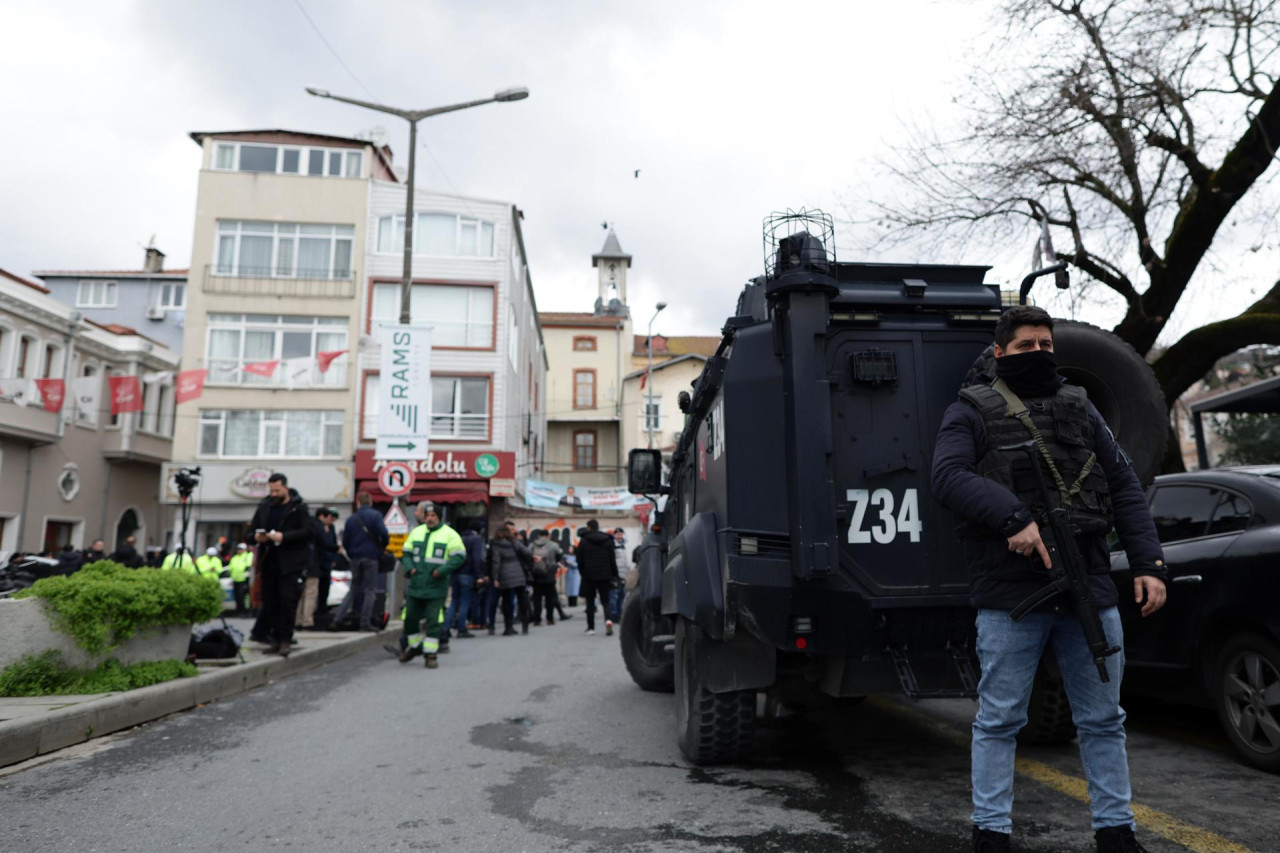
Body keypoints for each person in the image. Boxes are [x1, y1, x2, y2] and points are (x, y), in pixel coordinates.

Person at [930, 305, 1167, 853]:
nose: (1037, 354)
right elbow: (947, 475)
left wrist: (1150, 566)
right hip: (1013, 592)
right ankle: (990, 834)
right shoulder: (970, 411)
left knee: (1104, 719)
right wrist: (1013, 517)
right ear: (999, 353)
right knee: (1000, 720)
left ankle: (1116, 832)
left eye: (1045, 345)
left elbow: (1124, 488)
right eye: (1024, 347)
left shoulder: (1081, 409)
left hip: (1089, 585)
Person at [245, 472, 315, 657]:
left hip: (291, 563)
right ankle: (274, 639)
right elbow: (250, 532)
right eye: (271, 490)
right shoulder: (265, 506)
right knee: (271, 602)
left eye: (277, 490)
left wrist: (284, 537)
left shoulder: (298, 507)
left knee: (287, 601)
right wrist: (256, 537)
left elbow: (308, 531)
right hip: (269, 560)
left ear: (285, 487)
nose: (274, 494)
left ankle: (285, 639)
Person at [397, 502, 465, 668]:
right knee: (410, 619)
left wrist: (441, 570)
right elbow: (405, 553)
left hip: (436, 586)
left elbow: (459, 557)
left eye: (433, 516)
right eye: (427, 516)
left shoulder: (450, 535)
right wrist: (410, 568)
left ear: (439, 517)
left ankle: (430, 655)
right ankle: (415, 648)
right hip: (416, 585)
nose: (430, 519)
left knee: (434, 622)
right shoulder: (416, 532)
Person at [335, 491, 389, 632]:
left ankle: (338, 618)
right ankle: (365, 622)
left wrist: (352, 552)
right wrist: (381, 547)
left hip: (355, 557)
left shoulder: (351, 519)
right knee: (370, 590)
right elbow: (384, 533)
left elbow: (345, 540)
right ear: (370, 502)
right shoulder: (375, 516)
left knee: (353, 588)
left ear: (358, 503)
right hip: (371, 557)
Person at [438, 518, 483, 653]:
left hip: (455, 573)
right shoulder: (476, 539)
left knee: (453, 602)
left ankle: (446, 628)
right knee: (464, 602)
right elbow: (476, 558)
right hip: (467, 574)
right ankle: (461, 628)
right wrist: (479, 575)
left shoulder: (459, 537)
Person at [574, 519, 619, 636]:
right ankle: (608, 620)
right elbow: (612, 560)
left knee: (590, 602)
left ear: (588, 527)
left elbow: (579, 560)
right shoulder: (607, 540)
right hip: (605, 575)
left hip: (589, 576)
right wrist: (615, 575)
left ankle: (591, 627)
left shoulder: (583, 541)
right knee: (606, 601)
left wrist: (583, 574)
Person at [487, 524, 533, 636]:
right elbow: (527, 552)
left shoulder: (495, 545)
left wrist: (496, 577)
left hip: (504, 575)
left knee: (507, 602)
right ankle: (525, 627)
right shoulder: (514, 542)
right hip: (519, 573)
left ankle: (508, 627)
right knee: (522, 600)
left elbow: (496, 562)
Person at [297, 508, 336, 630]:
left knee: (301, 595)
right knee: (310, 593)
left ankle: (297, 620)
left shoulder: (304, 526)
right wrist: (336, 547)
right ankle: (307, 621)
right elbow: (325, 543)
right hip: (313, 565)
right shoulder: (318, 527)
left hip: (301, 564)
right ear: (323, 516)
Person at [528, 529, 564, 626]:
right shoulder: (553, 545)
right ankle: (550, 619)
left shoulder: (532, 545)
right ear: (548, 536)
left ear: (539, 535)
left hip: (536, 574)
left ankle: (537, 620)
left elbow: (527, 556)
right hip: (549, 574)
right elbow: (559, 556)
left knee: (537, 599)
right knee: (550, 598)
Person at [609, 528, 629, 623]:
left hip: (623, 574)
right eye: (617, 534)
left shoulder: (623, 545)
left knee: (622, 595)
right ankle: (613, 615)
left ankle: (619, 614)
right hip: (615, 574)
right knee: (614, 596)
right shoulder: (613, 545)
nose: (619, 536)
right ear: (614, 535)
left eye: (621, 534)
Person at [227, 542, 254, 615]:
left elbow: (248, 567)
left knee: (243, 596)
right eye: (238, 549)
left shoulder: (248, 556)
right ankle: (238, 611)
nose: (239, 550)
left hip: (244, 580)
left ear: (244, 550)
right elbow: (231, 568)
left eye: (241, 549)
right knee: (237, 596)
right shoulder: (235, 558)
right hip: (236, 579)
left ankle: (245, 611)